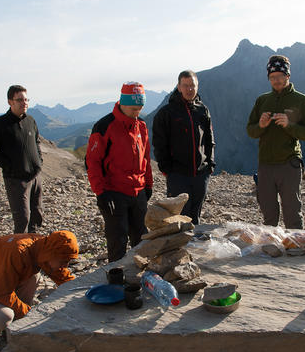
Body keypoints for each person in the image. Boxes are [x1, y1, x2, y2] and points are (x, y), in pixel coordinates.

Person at [0, 230, 78, 345]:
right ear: (51, 253)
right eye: (64, 261)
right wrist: (30, 315)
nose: (65, 265)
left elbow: (62, 277)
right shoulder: (19, 251)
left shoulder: (43, 249)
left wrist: (82, 293)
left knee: (34, 276)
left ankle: (14, 325)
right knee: (3, 318)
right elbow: (3, 293)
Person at [246, 55, 305, 229]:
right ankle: (271, 247)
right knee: (268, 211)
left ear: (287, 76)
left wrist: (289, 125)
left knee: (292, 211)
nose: (276, 80)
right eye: (272, 77)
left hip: (289, 164)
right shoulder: (262, 100)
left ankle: (294, 248)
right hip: (265, 165)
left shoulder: (301, 100)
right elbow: (251, 130)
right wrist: (261, 125)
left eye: (279, 76)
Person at [85, 82, 153, 262]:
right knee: (117, 241)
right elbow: (92, 162)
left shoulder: (142, 126)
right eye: (133, 109)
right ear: (122, 103)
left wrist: (148, 184)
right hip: (114, 193)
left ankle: (140, 278)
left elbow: (145, 157)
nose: (136, 113)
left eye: (140, 109)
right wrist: (101, 193)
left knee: (142, 240)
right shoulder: (105, 126)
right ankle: (117, 282)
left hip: (138, 192)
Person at [152, 70, 215, 225]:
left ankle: (193, 248)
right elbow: (159, 144)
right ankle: (180, 248)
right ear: (179, 87)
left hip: (200, 174)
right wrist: (167, 170)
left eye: (192, 85)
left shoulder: (202, 110)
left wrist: (210, 165)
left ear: (197, 86)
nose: (189, 89)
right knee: (179, 218)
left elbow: (209, 139)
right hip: (178, 175)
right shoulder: (167, 113)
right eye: (185, 86)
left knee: (195, 216)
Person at [0, 85, 44, 234]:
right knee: (22, 218)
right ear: (10, 102)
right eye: (19, 100)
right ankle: (20, 251)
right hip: (16, 179)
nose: (24, 103)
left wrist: (39, 161)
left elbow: (37, 142)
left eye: (26, 99)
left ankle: (34, 246)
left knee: (37, 214)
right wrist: (9, 166)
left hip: (35, 176)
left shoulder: (30, 121)